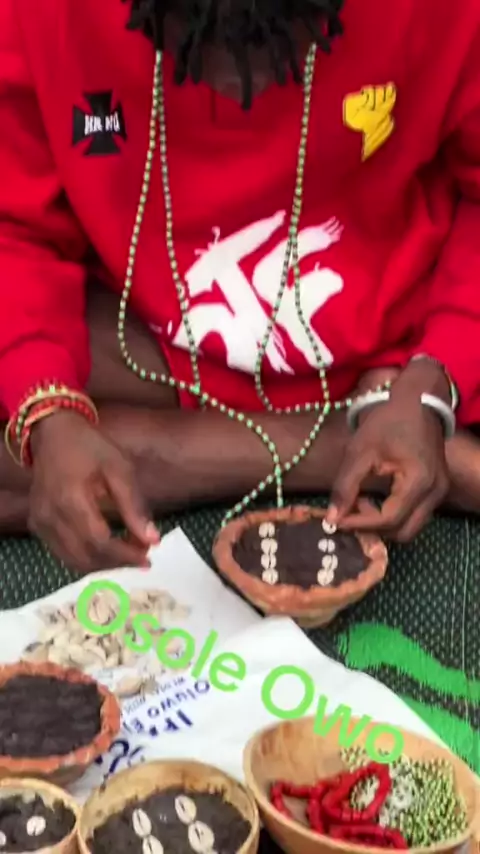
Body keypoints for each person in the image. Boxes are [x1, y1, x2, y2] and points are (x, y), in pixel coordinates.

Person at [1, 0, 480, 573]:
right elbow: (14, 227)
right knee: (29, 424)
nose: (233, 82)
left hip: (401, 330)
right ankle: (340, 445)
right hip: (147, 339)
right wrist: (49, 414)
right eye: (194, 34)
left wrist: (435, 377)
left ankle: (372, 423)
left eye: (271, 38)